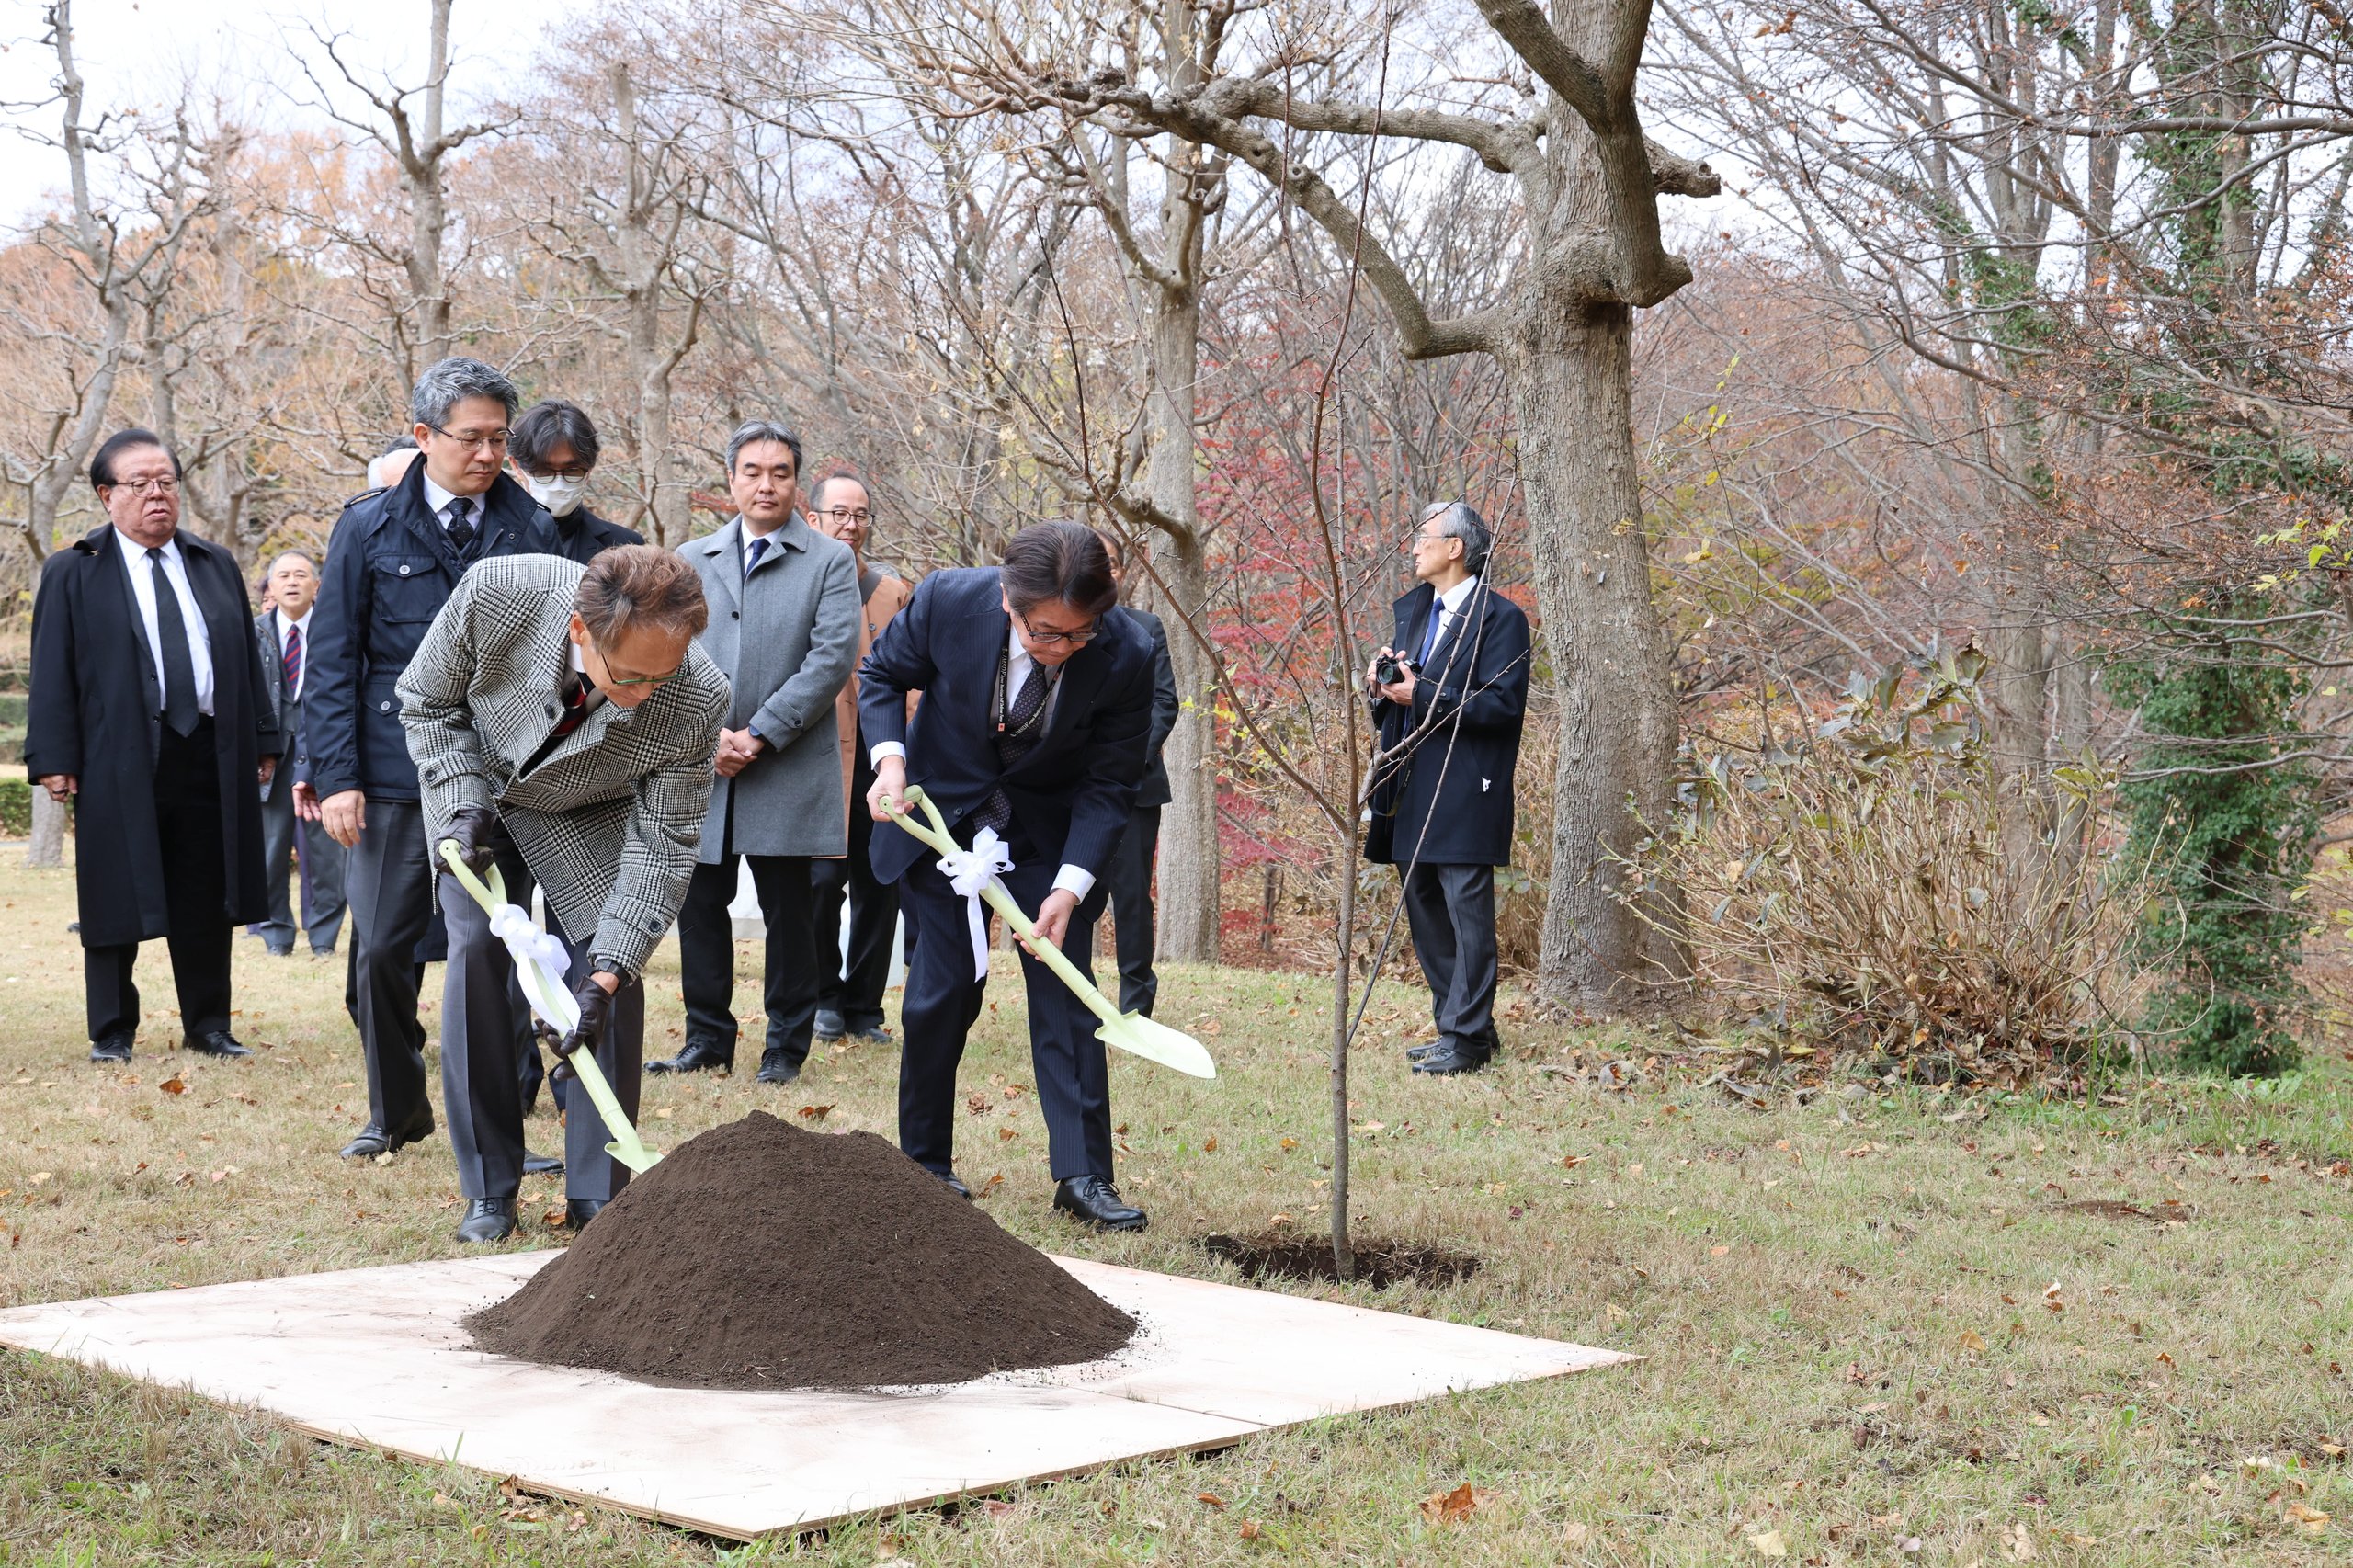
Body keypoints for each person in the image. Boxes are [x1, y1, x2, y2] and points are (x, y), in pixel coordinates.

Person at [401, 547, 730, 1241]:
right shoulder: (499, 592)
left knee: (606, 980)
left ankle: (598, 1193)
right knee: (477, 960)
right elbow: (426, 700)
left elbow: (663, 845)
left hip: (589, 814)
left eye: (660, 676)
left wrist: (607, 974)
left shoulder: (698, 698)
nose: (644, 693)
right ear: (582, 631)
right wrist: (461, 801)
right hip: (478, 795)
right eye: (629, 676)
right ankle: (489, 1187)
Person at [860, 520, 1155, 1231]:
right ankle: (924, 1163)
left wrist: (1069, 887)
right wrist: (890, 763)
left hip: (1047, 835)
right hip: (942, 817)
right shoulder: (943, 601)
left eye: (1079, 635)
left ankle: (1082, 1174)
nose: (1062, 650)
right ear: (1007, 601)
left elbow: (1111, 784)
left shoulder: (1128, 652)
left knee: (1066, 992)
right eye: (1047, 633)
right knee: (940, 990)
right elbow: (882, 677)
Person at [302, 358, 560, 1160]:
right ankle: (396, 1109)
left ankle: (498, 1124)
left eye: (498, 439)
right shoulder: (369, 525)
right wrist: (338, 778)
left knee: (489, 951)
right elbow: (334, 659)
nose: (487, 454)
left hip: (496, 779)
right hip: (389, 775)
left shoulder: (532, 527)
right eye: (470, 438)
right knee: (380, 948)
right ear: (424, 436)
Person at [27, 428, 282, 1063]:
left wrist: (263, 737)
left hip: (209, 751)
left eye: (165, 481)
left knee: (207, 889)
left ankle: (209, 1025)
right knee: (114, 892)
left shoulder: (212, 562)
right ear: (106, 495)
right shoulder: (73, 569)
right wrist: (54, 758)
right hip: (118, 755)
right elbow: (52, 670)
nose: (157, 495)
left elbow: (247, 663)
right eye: (139, 484)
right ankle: (112, 1030)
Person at [654, 421, 860, 1085]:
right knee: (700, 908)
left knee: (790, 915)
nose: (765, 484)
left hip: (787, 763)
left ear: (797, 483)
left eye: (779, 472)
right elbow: (670, 652)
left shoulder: (827, 560)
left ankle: (785, 1045)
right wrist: (709, 732)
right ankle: (707, 1038)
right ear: (731, 480)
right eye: (752, 471)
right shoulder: (692, 557)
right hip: (702, 764)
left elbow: (831, 660)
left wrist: (760, 733)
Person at [1363, 502, 1532, 1077]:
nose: (1414, 546)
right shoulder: (1414, 611)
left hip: (1466, 784)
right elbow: (1405, 691)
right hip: (1409, 779)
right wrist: (1382, 689)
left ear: (1456, 547)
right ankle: (1460, 1029)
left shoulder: (1501, 618)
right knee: (1424, 905)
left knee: (1466, 911)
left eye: (1424, 537)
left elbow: (1501, 705)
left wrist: (1422, 694)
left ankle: (1465, 1039)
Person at [806, 472, 914, 1045]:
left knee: (880, 883)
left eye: (862, 515)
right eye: (840, 513)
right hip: (817, 762)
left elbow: (915, 680)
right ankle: (824, 995)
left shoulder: (893, 594)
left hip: (881, 760)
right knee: (820, 882)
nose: (851, 525)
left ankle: (865, 1006)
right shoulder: (798, 584)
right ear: (814, 518)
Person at [1077, 529, 1178, 1017]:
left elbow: (1164, 702)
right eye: (1097, 563)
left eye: (1113, 563)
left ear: (1121, 573)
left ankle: (1136, 1006)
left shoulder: (1146, 627)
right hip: (1070, 789)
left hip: (1135, 788)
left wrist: (1122, 761)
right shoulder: (1059, 626)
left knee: (1132, 897)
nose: (1106, 571)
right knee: (1075, 895)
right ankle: (1079, 998)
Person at [253, 550, 346, 958]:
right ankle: (276, 934)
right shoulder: (251, 633)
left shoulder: (336, 630)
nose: (292, 582)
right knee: (269, 848)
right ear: (270, 587)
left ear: (317, 585)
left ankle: (324, 937)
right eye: (283, 576)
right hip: (269, 755)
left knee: (327, 851)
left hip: (324, 750)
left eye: (301, 575)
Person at [508, 400, 642, 564]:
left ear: (589, 470)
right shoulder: (487, 539)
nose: (558, 484)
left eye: (572, 470)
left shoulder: (625, 547)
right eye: (544, 471)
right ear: (516, 466)